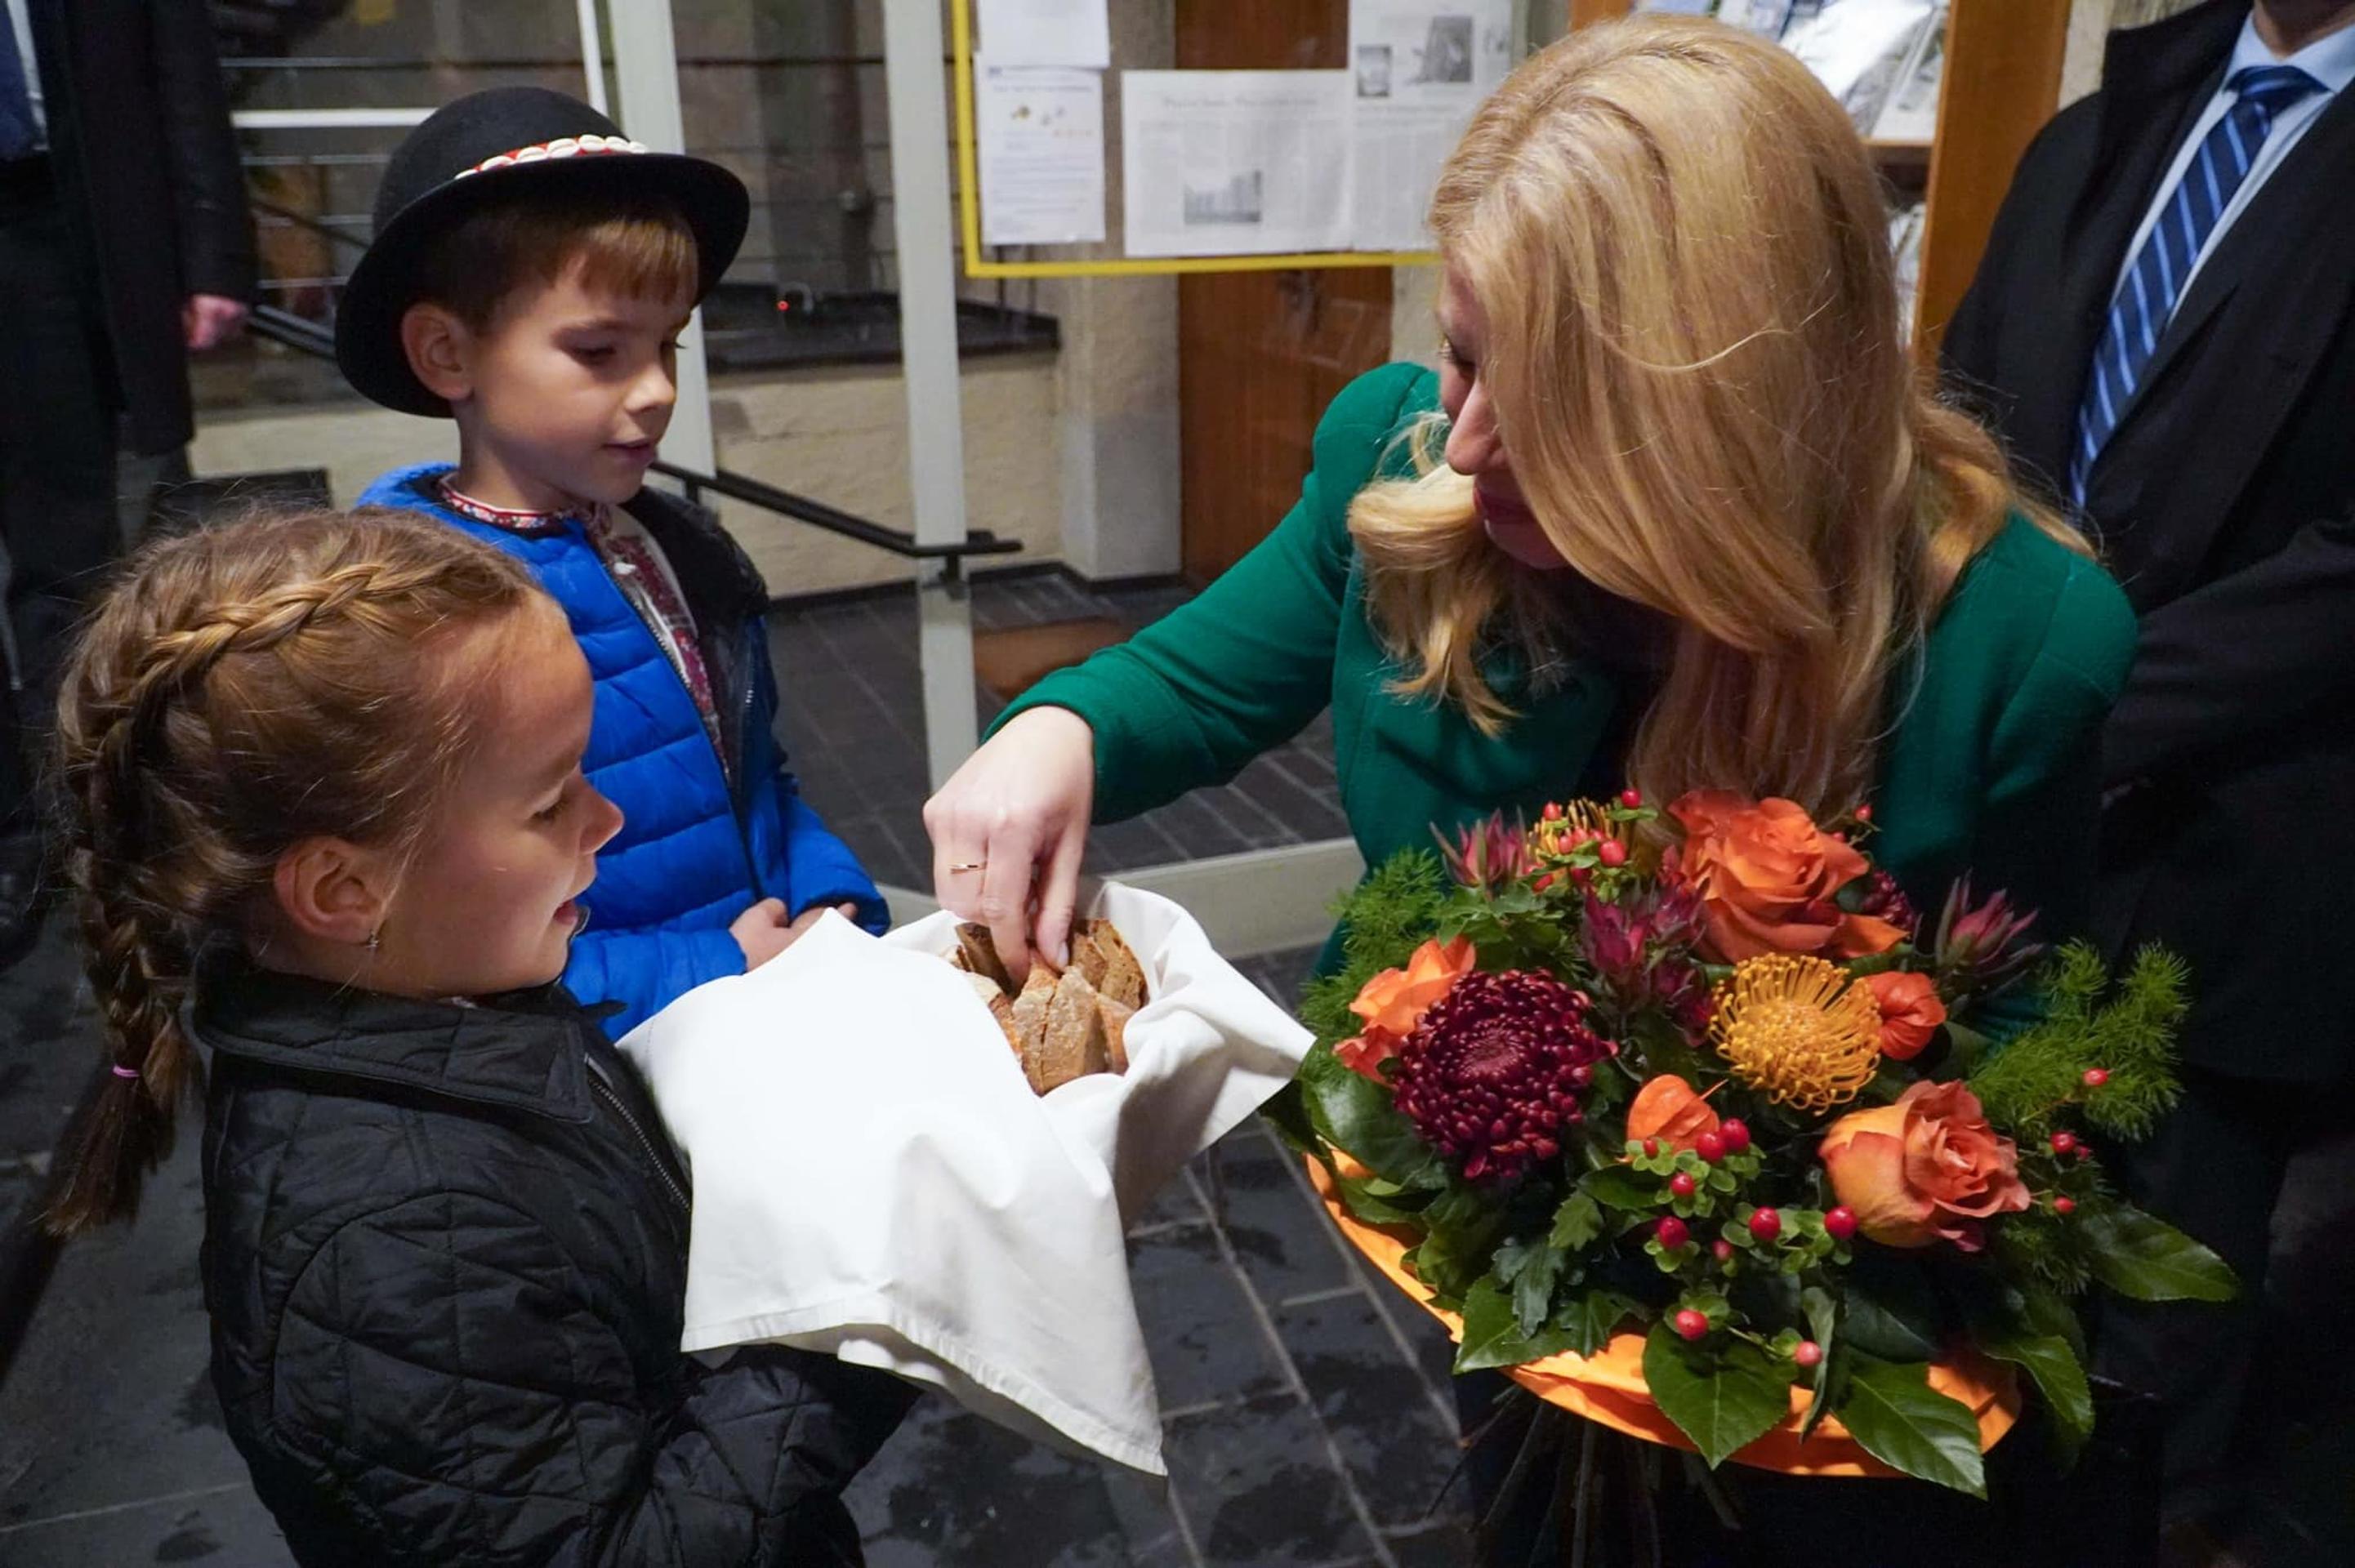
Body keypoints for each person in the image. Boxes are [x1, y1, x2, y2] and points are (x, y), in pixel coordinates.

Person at [925, 17, 2137, 1562]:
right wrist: (1054, 734)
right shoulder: (1406, 454)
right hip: (1480, 1223)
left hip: (1803, 1335)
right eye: (1461, 347)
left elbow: (2037, 1041)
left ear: (1722, 416)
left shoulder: (2013, 633)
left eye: (1550, 393)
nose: (1469, 438)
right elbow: (1192, 680)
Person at [42, 508, 913, 1566]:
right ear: (344, 887)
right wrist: (862, 1321)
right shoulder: (400, 1235)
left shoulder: (444, 986)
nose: (606, 823)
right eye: (552, 804)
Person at [1939, 0, 2355, 1549]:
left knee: (2161, 1345)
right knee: (1964, 1250)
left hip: (2241, 849)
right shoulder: (2111, 120)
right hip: (2006, 828)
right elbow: (1964, 407)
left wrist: (2076, 693)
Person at [337, 87, 885, 1036]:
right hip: (618, 1069)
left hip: (762, 1017)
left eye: (667, 345)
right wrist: (714, 966)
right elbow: (429, 939)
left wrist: (827, 894)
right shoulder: (412, 620)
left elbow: (757, 771)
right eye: (599, 351)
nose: (658, 390)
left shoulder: (674, 546)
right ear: (445, 354)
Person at [0, 0, 254, 960]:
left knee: (68, 555)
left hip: (49, 223)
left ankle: (84, 827)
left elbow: (180, 81)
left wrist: (213, 251)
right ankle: (10, 837)